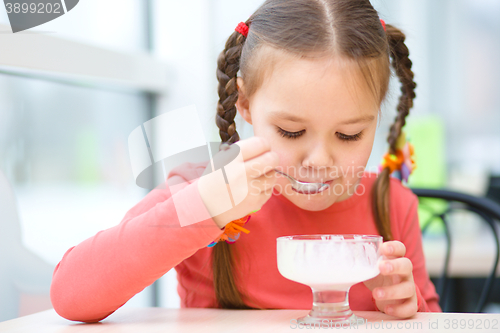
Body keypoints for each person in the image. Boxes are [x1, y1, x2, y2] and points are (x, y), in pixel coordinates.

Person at [50, 0, 441, 323]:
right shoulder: (205, 189)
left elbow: (435, 318)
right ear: (246, 104)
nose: (319, 161)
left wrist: (408, 308)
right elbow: (70, 295)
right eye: (291, 131)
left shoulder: (391, 204)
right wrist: (207, 207)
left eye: (349, 134)